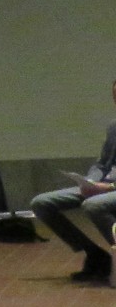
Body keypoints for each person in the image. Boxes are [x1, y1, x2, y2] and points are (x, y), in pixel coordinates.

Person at [29, 85, 116, 282]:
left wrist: (109, 187)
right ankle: (95, 255)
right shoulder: (114, 127)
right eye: (115, 97)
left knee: (94, 205)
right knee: (41, 203)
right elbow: (102, 163)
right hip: (102, 185)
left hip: (111, 188)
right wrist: (91, 181)